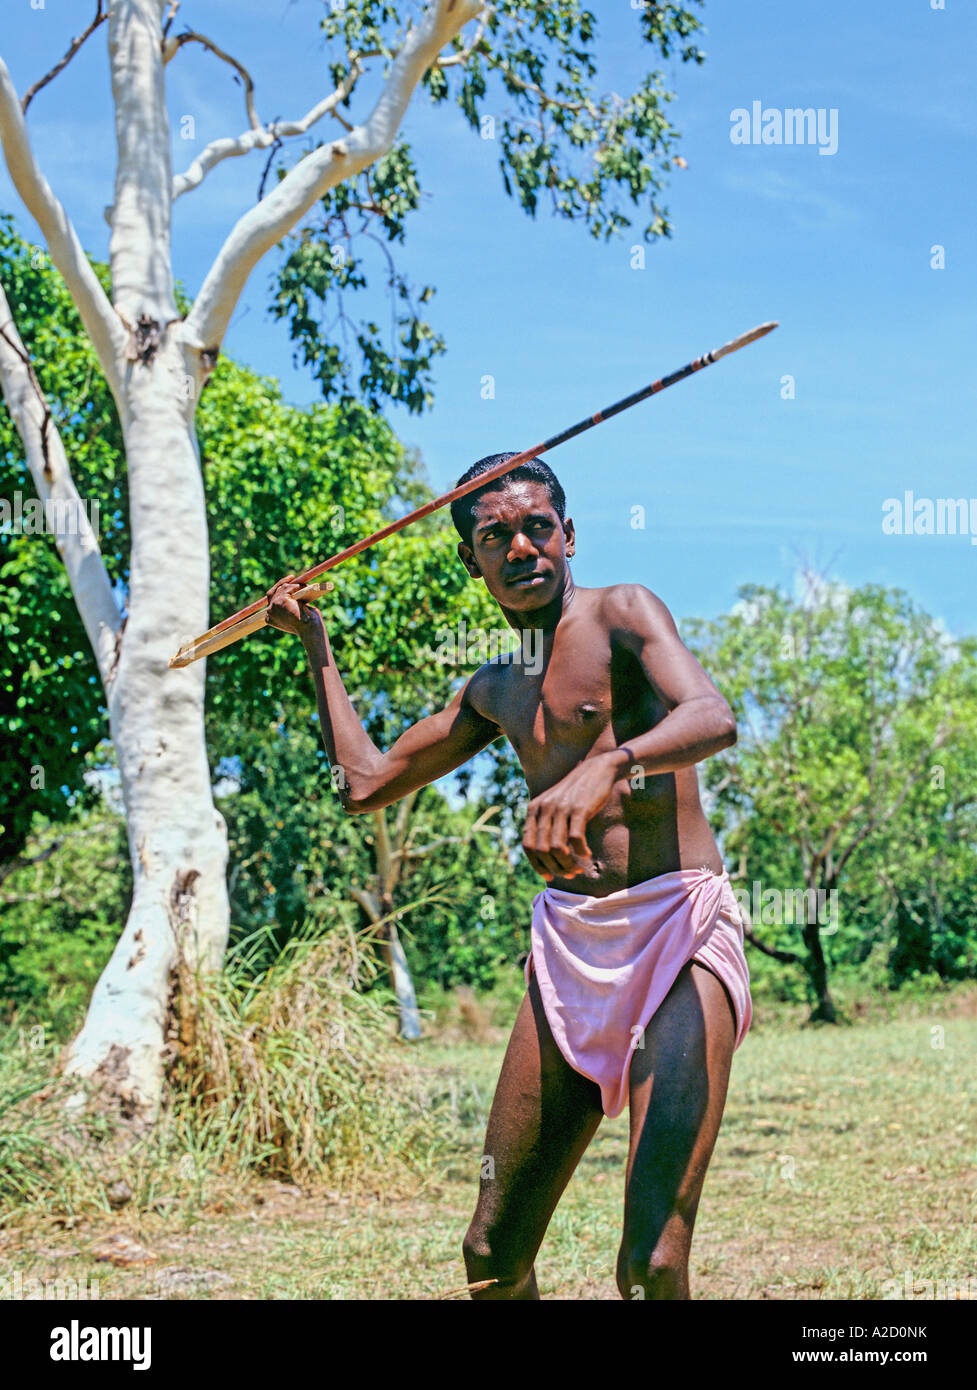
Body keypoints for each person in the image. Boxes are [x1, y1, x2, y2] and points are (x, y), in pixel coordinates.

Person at [264, 452, 752, 1301]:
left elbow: (713, 717)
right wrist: (315, 642)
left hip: (679, 929)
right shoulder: (492, 689)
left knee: (651, 1266)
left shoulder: (622, 614)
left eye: (536, 528)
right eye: (496, 536)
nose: (521, 546)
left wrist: (611, 766)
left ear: (568, 536)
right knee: (492, 1259)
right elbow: (365, 784)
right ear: (471, 560)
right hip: (570, 947)